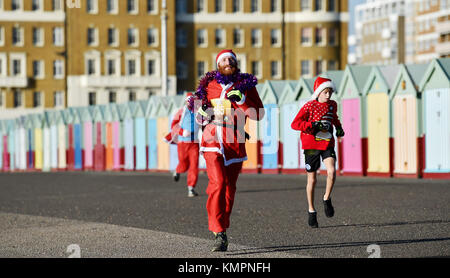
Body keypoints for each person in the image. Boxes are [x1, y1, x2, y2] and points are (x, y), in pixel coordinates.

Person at [188, 49, 265, 251]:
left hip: (235, 142)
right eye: (224, 59)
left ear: (236, 64)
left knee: (229, 188)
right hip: (212, 140)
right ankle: (219, 231)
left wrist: (241, 100)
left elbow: (258, 115)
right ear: (218, 65)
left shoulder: (246, 87)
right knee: (218, 183)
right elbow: (198, 115)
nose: (228, 61)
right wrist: (202, 114)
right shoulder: (208, 86)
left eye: (231, 59)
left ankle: (222, 224)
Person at [291, 76, 345, 228]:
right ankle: (311, 210)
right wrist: (312, 125)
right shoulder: (309, 106)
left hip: (327, 143)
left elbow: (334, 118)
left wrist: (339, 128)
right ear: (318, 92)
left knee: (332, 171)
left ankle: (326, 198)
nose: (328, 96)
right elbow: (295, 124)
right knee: (312, 180)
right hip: (311, 146)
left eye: (330, 92)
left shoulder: (332, 105)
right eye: (325, 92)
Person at [164, 93, 200, 198]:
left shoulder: (199, 111)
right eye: (189, 101)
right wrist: (182, 132)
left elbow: (204, 124)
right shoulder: (181, 112)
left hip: (194, 143)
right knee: (184, 163)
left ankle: (191, 188)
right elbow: (174, 126)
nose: (191, 103)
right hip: (183, 143)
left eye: (193, 101)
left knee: (194, 165)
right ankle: (178, 171)